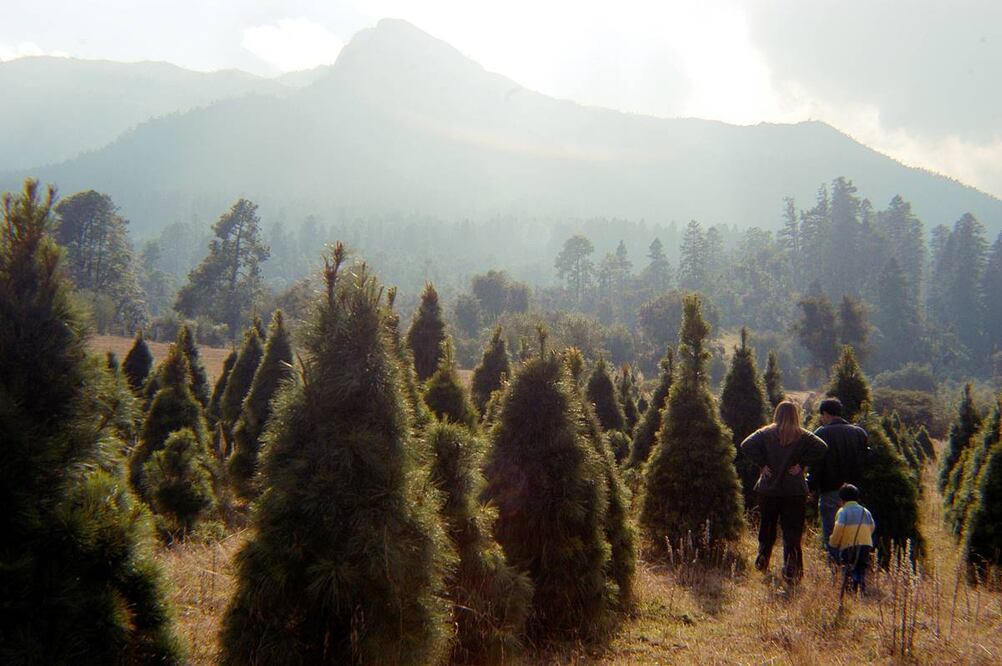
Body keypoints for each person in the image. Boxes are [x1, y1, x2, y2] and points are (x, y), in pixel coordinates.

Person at [740, 401, 828, 581]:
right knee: (792, 532)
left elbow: (745, 445)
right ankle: (792, 570)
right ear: (796, 415)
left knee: (767, 528)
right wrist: (802, 464)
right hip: (794, 491)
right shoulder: (803, 435)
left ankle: (762, 561)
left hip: (768, 489)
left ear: (777, 414)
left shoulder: (765, 432)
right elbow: (822, 448)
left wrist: (762, 464)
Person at [810, 398, 869, 561]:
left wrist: (810, 487)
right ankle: (852, 565)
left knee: (832, 533)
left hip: (830, 490)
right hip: (853, 494)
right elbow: (865, 461)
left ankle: (837, 568)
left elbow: (816, 465)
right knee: (853, 532)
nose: (821, 419)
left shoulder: (821, 433)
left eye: (822, 415)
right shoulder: (859, 433)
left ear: (826, 414)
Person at [829, 483, 875, 594]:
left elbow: (838, 529)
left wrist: (833, 543)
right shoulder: (865, 511)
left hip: (849, 545)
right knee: (861, 568)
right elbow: (872, 526)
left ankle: (851, 591)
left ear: (841, 500)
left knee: (849, 568)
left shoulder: (843, 512)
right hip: (865, 545)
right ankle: (861, 590)